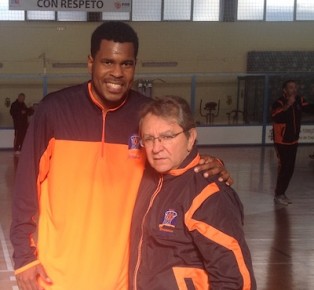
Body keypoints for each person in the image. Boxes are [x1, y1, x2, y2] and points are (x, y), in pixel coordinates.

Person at [10, 21, 232, 290]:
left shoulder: (146, 114)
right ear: (90, 62)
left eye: (126, 64)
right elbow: (25, 190)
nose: (117, 73)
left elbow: (178, 162)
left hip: (125, 278)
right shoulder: (54, 111)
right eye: (107, 62)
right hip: (56, 277)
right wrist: (24, 257)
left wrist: (212, 166)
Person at [129, 95, 256, 290]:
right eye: (149, 138)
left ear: (191, 138)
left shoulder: (209, 195)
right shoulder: (147, 180)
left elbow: (234, 280)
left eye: (168, 137)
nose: (156, 148)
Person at [272, 79, 314, 206]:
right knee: (284, 167)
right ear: (284, 90)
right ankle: (278, 194)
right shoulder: (278, 102)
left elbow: (311, 109)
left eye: (295, 87)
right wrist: (287, 105)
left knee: (290, 168)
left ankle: (282, 193)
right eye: (291, 87)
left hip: (293, 140)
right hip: (281, 140)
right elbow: (275, 116)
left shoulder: (299, 100)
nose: (294, 89)